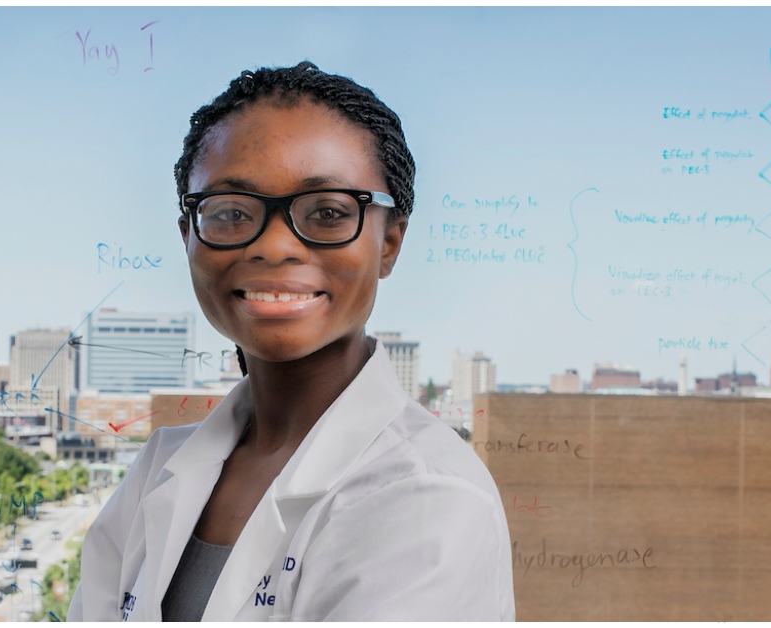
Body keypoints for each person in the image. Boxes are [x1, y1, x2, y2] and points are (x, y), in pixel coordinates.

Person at [67, 61, 514, 622]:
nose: (275, 247)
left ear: (389, 243)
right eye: (231, 211)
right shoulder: (160, 466)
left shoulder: (428, 497)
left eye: (327, 212)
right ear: (189, 235)